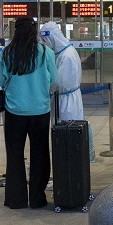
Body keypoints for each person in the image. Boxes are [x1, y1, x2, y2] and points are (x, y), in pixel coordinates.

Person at [0, 17, 57, 209]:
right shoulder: (46, 52)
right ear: (34, 31)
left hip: (14, 111)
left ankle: (16, 199)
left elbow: (1, 79)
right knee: (40, 153)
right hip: (40, 110)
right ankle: (38, 198)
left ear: (16, 32)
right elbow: (54, 80)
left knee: (15, 154)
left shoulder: (7, 53)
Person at [39, 21, 93, 161]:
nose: (45, 43)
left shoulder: (67, 55)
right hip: (63, 99)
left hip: (66, 101)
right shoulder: (63, 53)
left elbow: (59, 83)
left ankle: (68, 165)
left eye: (45, 40)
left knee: (67, 135)